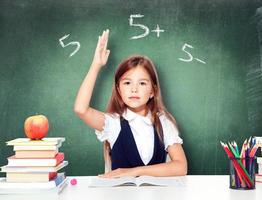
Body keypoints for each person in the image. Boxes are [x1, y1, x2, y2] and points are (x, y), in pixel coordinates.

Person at [74, 29, 187, 178]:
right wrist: (96, 65)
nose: (134, 89)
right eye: (127, 83)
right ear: (119, 90)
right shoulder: (113, 123)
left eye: (142, 83)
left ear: (152, 91)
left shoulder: (163, 122)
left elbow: (181, 166)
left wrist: (134, 171)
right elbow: (81, 109)